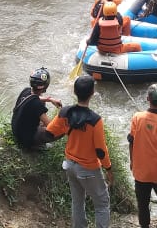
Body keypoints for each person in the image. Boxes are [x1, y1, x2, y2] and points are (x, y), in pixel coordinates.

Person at [47, 75, 114, 228]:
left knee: (77, 201)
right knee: (102, 203)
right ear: (92, 93)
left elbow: (50, 132)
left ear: (75, 92)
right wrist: (109, 169)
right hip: (89, 169)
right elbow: (100, 150)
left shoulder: (65, 112)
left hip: (69, 165)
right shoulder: (95, 120)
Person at [128, 84, 157, 228]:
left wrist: (132, 161)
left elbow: (131, 141)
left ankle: (145, 226)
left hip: (141, 172)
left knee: (142, 204)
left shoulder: (137, 118)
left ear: (147, 98)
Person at [11, 67, 63, 152]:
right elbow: (51, 127)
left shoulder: (26, 91)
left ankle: (32, 137)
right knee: (61, 129)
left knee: (40, 117)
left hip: (16, 131)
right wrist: (62, 115)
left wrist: (49, 99)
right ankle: (34, 145)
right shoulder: (37, 105)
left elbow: (35, 97)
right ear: (46, 86)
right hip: (25, 139)